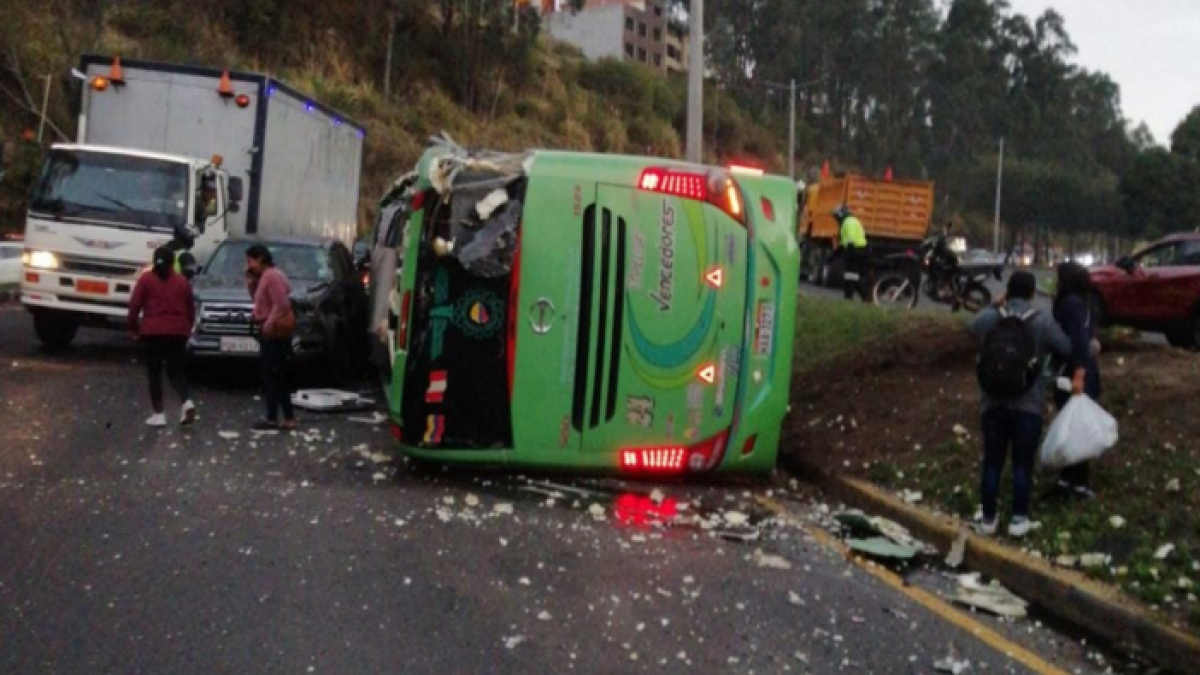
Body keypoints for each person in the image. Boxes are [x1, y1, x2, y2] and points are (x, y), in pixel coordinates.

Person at [970, 270, 1072, 538]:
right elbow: (1067, 347)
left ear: (1008, 290)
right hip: (1029, 404)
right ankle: (1018, 519)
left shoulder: (992, 317)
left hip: (992, 403)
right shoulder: (1042, 321)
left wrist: (995, 304)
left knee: (992, 462)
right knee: (1021, 463)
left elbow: (970, 327)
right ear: (1031, 292)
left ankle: (989, 519)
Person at [128, 246, 196, 427]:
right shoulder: (182, 282)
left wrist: (133, 328)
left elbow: (135, 305)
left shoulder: (146, 279)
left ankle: (159, 414)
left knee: (154, 371)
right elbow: (190, 309)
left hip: (153, 332)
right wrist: (187, 329)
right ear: (173, 262)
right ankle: (186, 401)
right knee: (175, 371)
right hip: (178, 332)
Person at [1051, 261, 1102, 500]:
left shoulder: (1069, 304)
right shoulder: (1084, 303)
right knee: (1076, 425)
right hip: (1085, 371)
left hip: (1073, 373)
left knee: (1072, 426)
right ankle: (1074, 480)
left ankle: (1073, 482)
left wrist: (1079, 372)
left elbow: (1079, 340)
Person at [245, 244, 297, 431]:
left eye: (250, 261)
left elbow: (281, 303)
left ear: (260, 259)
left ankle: (275, 417)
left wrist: (268, 322)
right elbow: (259, 299)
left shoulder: (271, 276)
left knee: (273, 375)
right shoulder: (267, 276)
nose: (248, 265)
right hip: (271, 330)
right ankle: (280, 416)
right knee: (275, 374)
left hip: (274, 333)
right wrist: (251, 282)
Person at [833, 205, 869, 302]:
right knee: (852, 276)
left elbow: (850, 238)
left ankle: (852, 298)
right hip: (855, 251)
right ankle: (862, 298)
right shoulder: (848, 221)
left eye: (836, 216)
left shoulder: (848, 222)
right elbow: (845, 240)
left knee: (851, 276)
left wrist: (850, 251)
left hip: (855, 251)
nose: (836, 219)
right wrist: (837, 252)